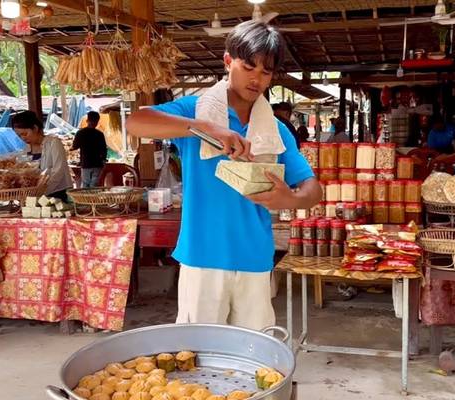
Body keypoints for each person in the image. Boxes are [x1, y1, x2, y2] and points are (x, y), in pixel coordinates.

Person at [126, 20, 322, 331]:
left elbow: (313, 190)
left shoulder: (276, 129)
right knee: (198, 356)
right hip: (201, 256)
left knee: (253, 356)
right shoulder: (196, 110)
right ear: (228, 61)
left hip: (255, 258)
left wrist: (292, 197)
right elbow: (136, 122)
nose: (256, 79)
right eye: (248, 67)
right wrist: (204, 127)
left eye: (266, 72)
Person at [11, 110, 73, 202]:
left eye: (25, 134)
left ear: (35, 128)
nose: (23, 138)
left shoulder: (53, 142)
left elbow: (58, 171)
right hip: (32, 196)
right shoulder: (26, 149)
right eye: (19, 136)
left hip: (56, 193)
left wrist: (41, 191)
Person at [71, 111, 108, 188]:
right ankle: (93, 199)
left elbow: (74, 146)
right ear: (97, 121)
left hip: (86, 163)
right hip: (97, 164)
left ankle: (85, 199)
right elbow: (104, 149)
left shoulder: (80, 133)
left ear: (87, 120)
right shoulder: (99, 134)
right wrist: (104, 160)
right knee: (94, 185)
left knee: (85, 184)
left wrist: (70, 148)